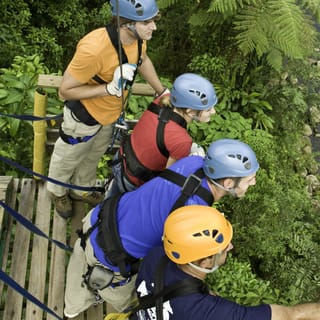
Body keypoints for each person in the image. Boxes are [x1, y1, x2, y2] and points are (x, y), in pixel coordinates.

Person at [63, 138, 259, 318]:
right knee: (116, 300)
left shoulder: (195, 164)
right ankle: (70, 313)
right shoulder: (194, 212)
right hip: (107, 256)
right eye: (249, 179)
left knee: (79, 264)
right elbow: (178, 263)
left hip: (102, 217)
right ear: (228, 183)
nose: (254, 182)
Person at [47, 0, 166, 218]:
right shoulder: (94, 49)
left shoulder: (137, 41)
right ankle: (57, 191)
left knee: (93, 156)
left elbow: (142, 59)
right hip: (83, 117)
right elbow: (64, 91)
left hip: (109, 116)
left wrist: (161, 91)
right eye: (147, 22)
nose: (154, 27)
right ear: (126, 24)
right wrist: (108, 89)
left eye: (153, 21)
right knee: (68, 158)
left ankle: (80, 189)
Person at [133, 205, 320, 320]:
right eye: (223, 248)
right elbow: (292, 316)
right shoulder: (208, 312)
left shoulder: (156, 255)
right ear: (205, 261)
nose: (230, 247)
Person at [107, 73, 218, 196]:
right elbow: (168, 180)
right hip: (134, 181)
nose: (214, 112)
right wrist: (194, 162)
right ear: (190, 111)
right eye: (208, 109)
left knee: (109, 202)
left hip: (122, 161)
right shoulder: (181, 141)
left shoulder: (163, 100)